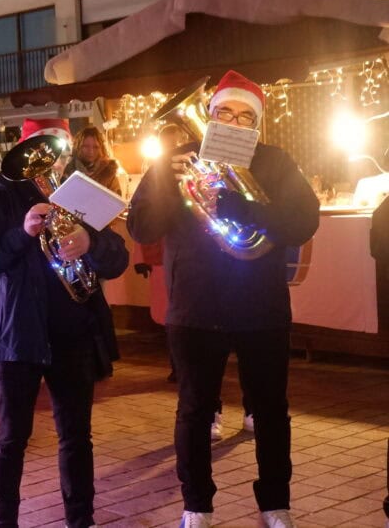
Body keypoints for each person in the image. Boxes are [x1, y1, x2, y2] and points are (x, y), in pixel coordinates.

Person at [127, 71, 320, 528]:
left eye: (244, 116)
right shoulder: (174, 162)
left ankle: (275, 502)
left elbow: (303, 221)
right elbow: (141, 229)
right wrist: (166, 188)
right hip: (195, 306)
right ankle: (197, 504)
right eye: (223, 113)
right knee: (194, 410)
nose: (233, 121)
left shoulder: (275, 162)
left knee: (271, 410)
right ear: (209, 117)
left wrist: (239, 207)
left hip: (261, 307)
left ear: (256, 124)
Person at [0, 118, 126, 528]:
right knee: (11, 440)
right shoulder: (0, 194)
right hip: (16, 335)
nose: (46, 158)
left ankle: (81, 519)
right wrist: (21, 233)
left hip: (71, 330)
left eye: (56, 147)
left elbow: (118, 256)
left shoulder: (77, 191)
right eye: (37, 147)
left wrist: (92, 242)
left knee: (76, 437)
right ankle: (5, 522)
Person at [63, 126, 124, 195]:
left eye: (95, 147)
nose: (91, 152)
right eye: (85, 146)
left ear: (101, 149)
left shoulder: (108, 173)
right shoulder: (69, 171)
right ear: (78, 147)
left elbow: (116, 202)